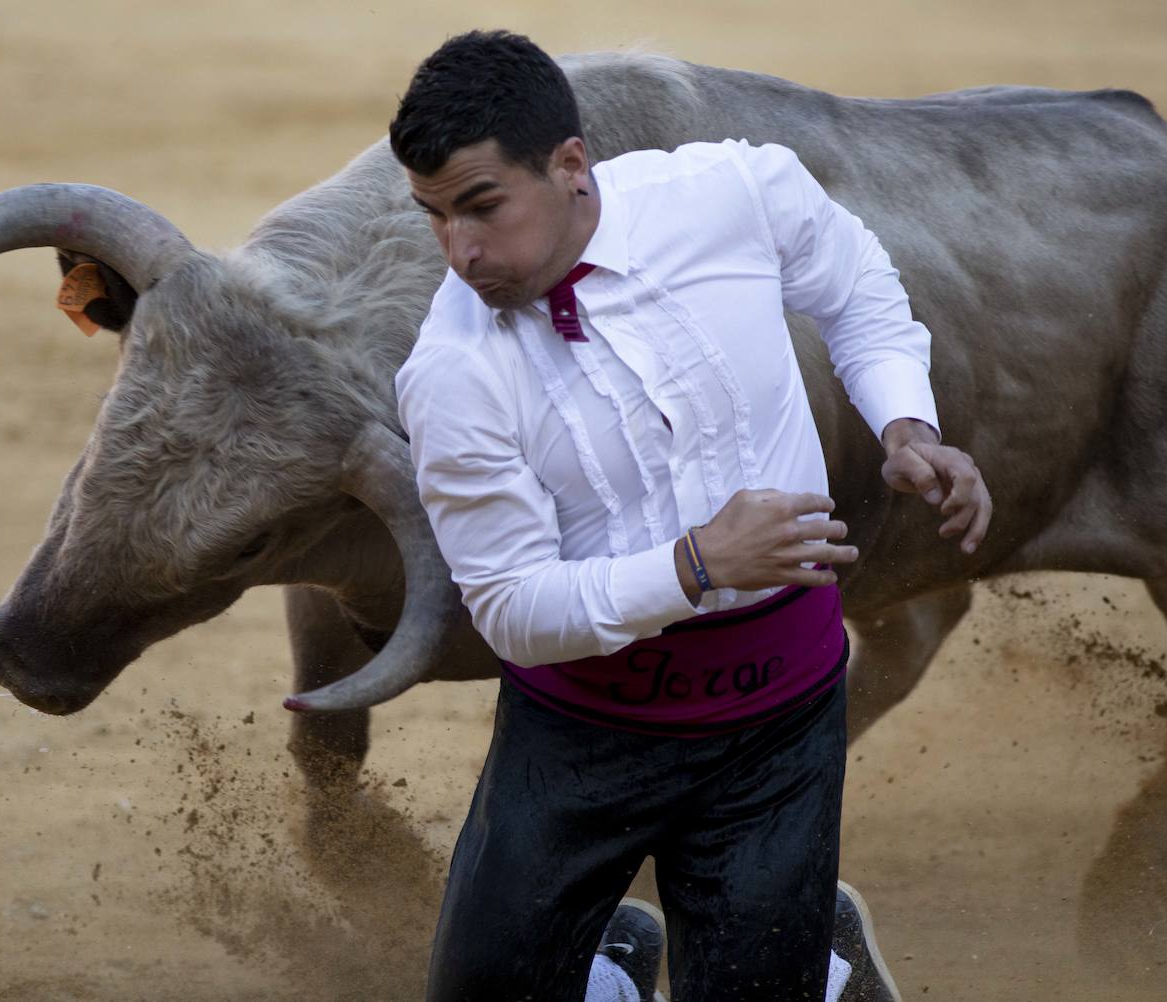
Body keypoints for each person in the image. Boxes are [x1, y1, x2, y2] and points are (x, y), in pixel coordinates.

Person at [390, 30, 990, 1002]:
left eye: (482, 207)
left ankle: (818, 971)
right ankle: (613, 972)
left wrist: (905, 421)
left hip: (779, 719)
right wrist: (695, 565)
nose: (460, 249)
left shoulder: (733, 194)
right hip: (579, 741)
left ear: (571, 166)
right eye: (433, 216)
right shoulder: (453, 372)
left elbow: (856, 289)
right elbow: (510, 605)